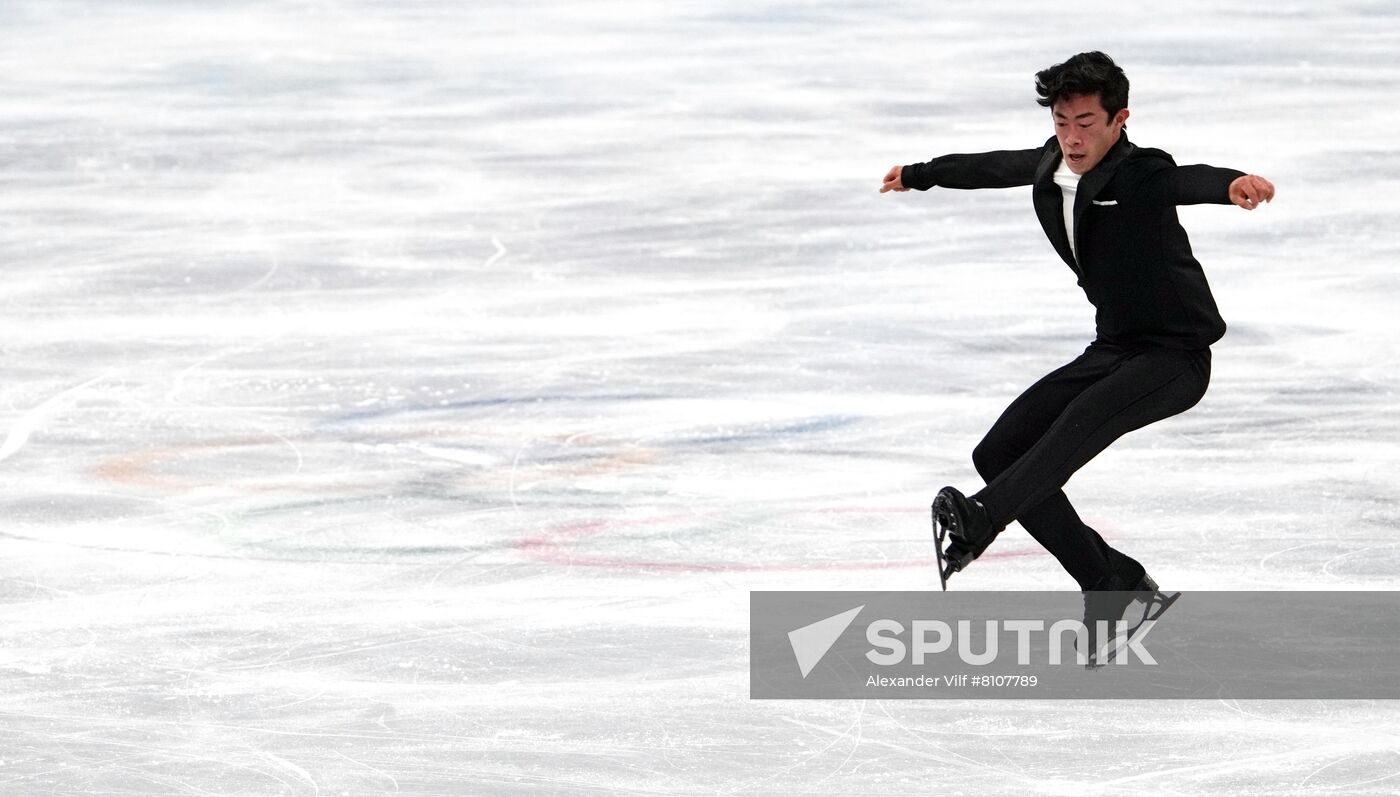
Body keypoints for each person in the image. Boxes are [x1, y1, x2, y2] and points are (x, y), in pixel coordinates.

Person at [880, 51, 1275, 595]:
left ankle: (981, 519)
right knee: (996, 452)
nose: (1072, 136)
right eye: (1062, 123)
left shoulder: (1140, 174)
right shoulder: (1053, 163)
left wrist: (1231, 184)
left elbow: (1181, 181)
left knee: (1081, 420)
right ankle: (1110, 580)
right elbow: (992, 167)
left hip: (1173, 359)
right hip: (1112, 347)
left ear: (1120, 119)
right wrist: (921, 175)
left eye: (1086, 122)